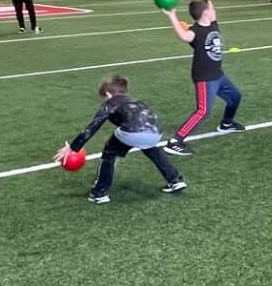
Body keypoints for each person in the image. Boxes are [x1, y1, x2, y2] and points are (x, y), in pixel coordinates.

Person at [56, 74, 186, 204]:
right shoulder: (136, 101)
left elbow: (92, 127)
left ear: (107, 94)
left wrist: (73, 148)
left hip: (132, 132)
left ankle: (99, 193)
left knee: (109, 154)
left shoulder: (110, 103)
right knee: (151, 148)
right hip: (156, 132)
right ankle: (175, 180)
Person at [163, 0, 243, 153]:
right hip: (205, 77)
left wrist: (206, 2)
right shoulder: (195, 31)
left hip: (218, 75)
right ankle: (175, 141)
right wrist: (172, 16)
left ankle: (226, 124)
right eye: (212, 9)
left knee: (235, 97)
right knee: (203, 111)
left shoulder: (213, 24)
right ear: (206, 13)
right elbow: (184, 37)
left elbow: (208, 6)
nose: (215, 11)